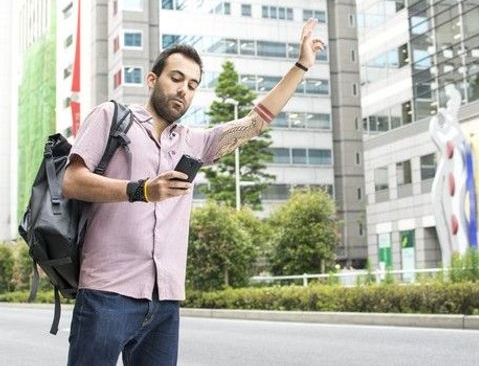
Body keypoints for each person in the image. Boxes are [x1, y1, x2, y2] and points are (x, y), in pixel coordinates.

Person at [62, 18, 325, 365]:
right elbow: (71, 181)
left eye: (192, 84)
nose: (184, 89)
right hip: (108, 292)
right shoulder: (112, 117)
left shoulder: (193, 143)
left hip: (165, 300)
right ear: (153, 79)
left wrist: (302, 65)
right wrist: (141, 190)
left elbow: (256, 121)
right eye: (176, 78)